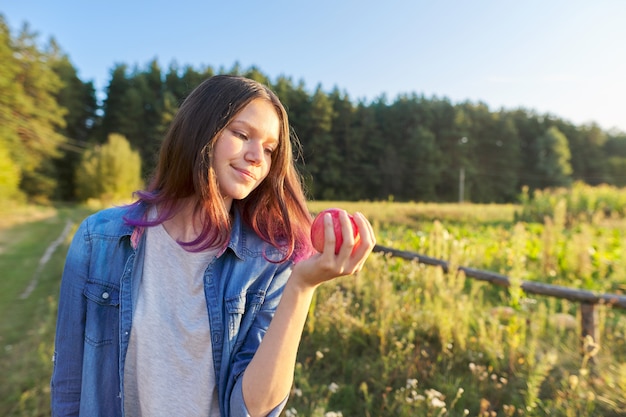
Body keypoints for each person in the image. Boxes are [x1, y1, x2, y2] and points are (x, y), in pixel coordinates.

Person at [50, 75, 376, 417]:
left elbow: (253, 408)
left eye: (269, 149)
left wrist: (302, 285)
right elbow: (69, 387)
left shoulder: (268, 262)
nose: (256, 157)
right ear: (199, 130)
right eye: (241, 134)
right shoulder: (98, 240)